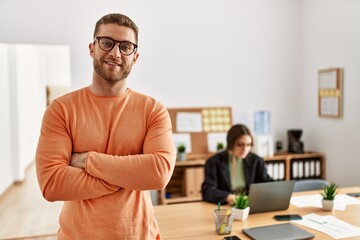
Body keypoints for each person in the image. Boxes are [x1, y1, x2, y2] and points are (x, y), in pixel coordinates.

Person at [35, 13, 176, 240]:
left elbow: (158, 173)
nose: (115, 53)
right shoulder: (61, 109)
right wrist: (128, 177)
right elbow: (52, 184)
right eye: (107, 43)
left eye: (125, 47)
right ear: (92, 48)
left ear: (135, 57)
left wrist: (88, 160)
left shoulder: (153, 110)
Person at [201, 124, 272, 205]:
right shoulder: (214, 162)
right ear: (231, 143)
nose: (245, 149)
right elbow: (207, 191)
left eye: (248, 145)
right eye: (240, 144)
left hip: (250, 206)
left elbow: (267, 182)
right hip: (225, 207)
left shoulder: (256, 161)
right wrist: (230, 197)